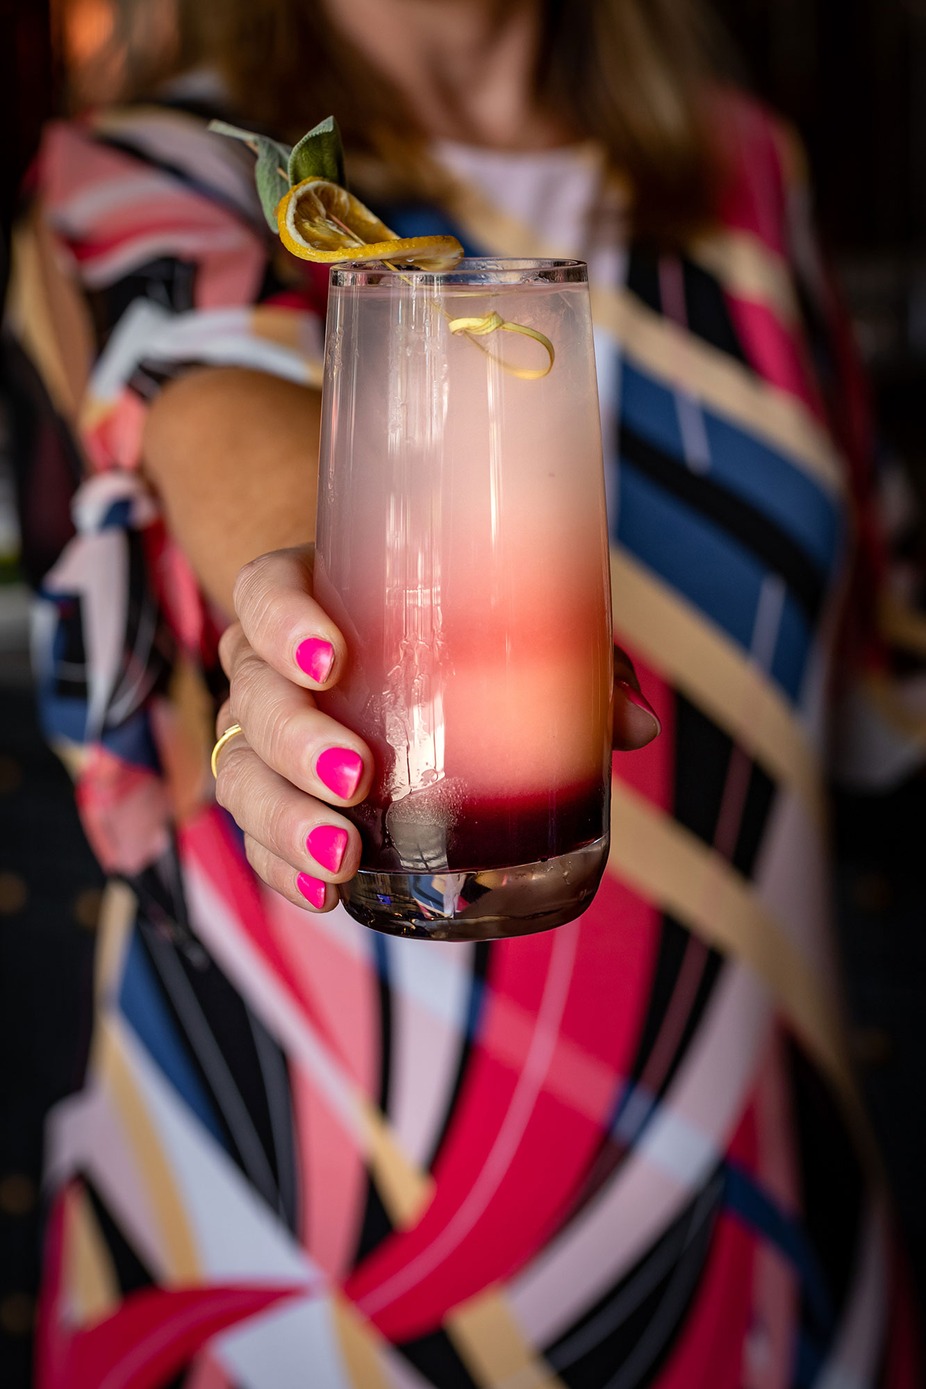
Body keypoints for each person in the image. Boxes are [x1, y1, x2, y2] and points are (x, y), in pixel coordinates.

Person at [7, 0, 924, 1384]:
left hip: (747, 1222)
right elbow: (207, 397)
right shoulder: (150, 170)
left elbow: (875, 663)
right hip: (309, 1255)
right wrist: (322, 598)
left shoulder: (745, 175)